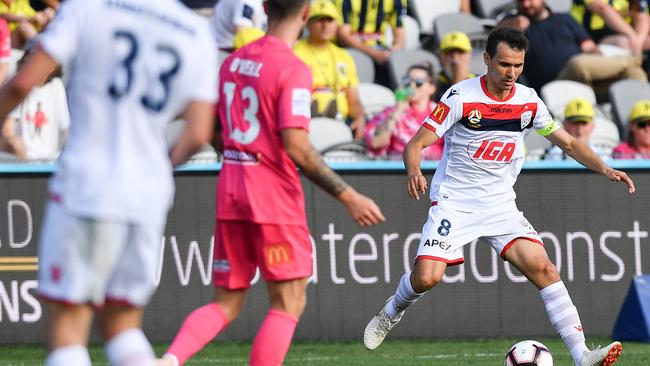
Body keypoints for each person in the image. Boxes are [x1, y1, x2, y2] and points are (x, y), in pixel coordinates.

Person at [363, 27, 634, 366]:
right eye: (504, 64)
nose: (511, 74)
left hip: (499, 205)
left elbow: (568, 142)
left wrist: (605, 168)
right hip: (456, 203)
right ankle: (392, 310)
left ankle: (582, 355)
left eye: (518, 65)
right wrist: (414, 169)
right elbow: (416, 144)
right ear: (487, 60)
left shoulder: (528, 101)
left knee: (545, 268)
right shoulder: (461, 97)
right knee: (427, 278)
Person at [158, 1, 385, 366]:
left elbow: (215, 131)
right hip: (272, 199)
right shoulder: (292, 68)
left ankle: (169, 360)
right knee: (288, 302)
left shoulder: (232, 62)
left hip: (231, 191)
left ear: (265, 7)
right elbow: (297, 145)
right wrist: (348, 195)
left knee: (226, 303)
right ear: (307, 11)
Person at [0, 0, 218, 365]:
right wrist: (159, 169)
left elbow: (24, 82)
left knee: (69, 327)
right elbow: (198, 133)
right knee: (123, 328)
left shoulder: (88, 7)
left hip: (88, 184)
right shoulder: (195, 30)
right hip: (147, 192)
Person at [499, 0, 646, 100]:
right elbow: (496, 34)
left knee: (634, 74)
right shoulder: (515, 22)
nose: (526, 4)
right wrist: (514, 24)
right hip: (555, 83)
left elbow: (589, 46)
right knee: (577, 64)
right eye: (521, 1)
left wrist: (599, 61)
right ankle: (635, 59)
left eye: (530, 0)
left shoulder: (564, 19)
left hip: (586, 82)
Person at [294, 0, 365, 139]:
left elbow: (354, 99)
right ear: (308, 23)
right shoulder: (295, 53)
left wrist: (359, 118)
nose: (325, 25)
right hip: (307, 123)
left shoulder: (344, 56)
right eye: (319, 20)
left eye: (330, 20)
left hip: (342, 122)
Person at [0, 47, 69, 160]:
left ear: (52, 68)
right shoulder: (17, 85)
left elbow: (65, 127)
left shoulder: (57, 87)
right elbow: (7, 130)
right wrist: (18, 148)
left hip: (50, 157)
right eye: (26, 64)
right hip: (22, 158)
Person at [365, 62, 444, 160]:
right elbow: (376, 144)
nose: (411, 86)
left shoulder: (441, 113)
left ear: (431, 88)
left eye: (418, 82)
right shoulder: (390, 112)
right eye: (407, 81)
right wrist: (397, 112)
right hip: (400, 169)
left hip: (434, 168)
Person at [335, 0, 407, 67]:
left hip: (380, 49)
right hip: (353, 49)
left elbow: (400, 36)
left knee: (400, 63)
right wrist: (375, 54)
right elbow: (343, 37)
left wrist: (393, 52)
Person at [571, 0, 649, 54]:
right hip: (588, 39)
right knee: (625, 43)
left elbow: (641, 15)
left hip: (622, 36)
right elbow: (602, 9)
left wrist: (639, 39)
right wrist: (632, 35)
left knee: (647, 42)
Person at [544, 97, 611, 160]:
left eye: (584, 123)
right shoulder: (553, 156)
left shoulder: (603, 157)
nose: (580, 130)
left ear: (592, 125)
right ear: (565, 124)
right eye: (575, 123)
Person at [434, 31, 476, 101]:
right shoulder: (432, 85)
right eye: (449, 53)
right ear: (441, 56)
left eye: (460, 52)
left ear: (469, 55)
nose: (455, 58)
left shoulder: (481, 83)